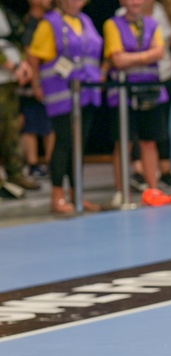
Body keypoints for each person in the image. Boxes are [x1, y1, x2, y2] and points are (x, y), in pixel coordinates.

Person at [26, 0, 104, 214]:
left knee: (79, 145)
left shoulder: (86, 21)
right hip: (61, 93)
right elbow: (34, 56)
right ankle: (57, 196)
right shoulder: (49, 23)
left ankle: (77, 195)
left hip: (87, 93)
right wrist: (35, 83)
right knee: (63, 142)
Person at [104, 0, 171, 208]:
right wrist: (146, 56)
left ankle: (153, 190)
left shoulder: (152, 24)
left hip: (150, 91)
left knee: (150, 141)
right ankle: (121, 191)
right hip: (123, 93)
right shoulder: (113, 24)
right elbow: (117, 60)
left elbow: (160, 53)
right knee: (123, 142)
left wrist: (132, 57)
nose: (135, 2)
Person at [0, 4, 40, 194]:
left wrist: (22, 62)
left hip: (9, 81)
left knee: (12, 128)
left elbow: (15, 38)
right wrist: (9, 64)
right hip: (5, 73)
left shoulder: (6, 11)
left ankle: (15, 174)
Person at [18, 0, 55, 182]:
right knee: (31, 120)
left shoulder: (53, 19)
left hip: (52, 78)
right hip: (31, 78)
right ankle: (32, 164)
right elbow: (28, 52)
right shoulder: (28, 22)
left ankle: (51, 162)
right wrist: (35, 83)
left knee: (51, 122)